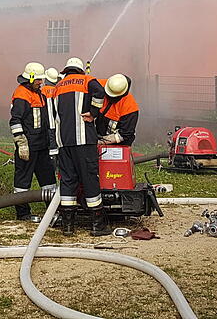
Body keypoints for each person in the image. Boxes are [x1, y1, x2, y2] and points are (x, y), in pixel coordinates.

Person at [52, 57, 109, 237]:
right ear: (80, 70)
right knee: (89, 178)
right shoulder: (86, 80)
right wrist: (93, 113)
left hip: (63, 142)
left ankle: (68, 227)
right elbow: (100, 92)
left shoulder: (57, 87)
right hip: (83, 141)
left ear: (66, 70)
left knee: (68, 181)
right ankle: (97, 224)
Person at [9, 62, 56, 222]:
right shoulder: (22, 94)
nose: (40, 82)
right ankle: (23, 214)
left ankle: (53, 211)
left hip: (42, 146)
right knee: (23, 181)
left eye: (41, 80)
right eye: (37, 80)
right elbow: (15, 121)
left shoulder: (39, 94)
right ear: (29, 78)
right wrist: (21, 143)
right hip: (28, 147)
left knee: (49, 180)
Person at [96, 74, 139, 146]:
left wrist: (100, 142)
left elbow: (125, 133)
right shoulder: (97, 86)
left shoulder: (130, 107)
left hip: (118, 143)